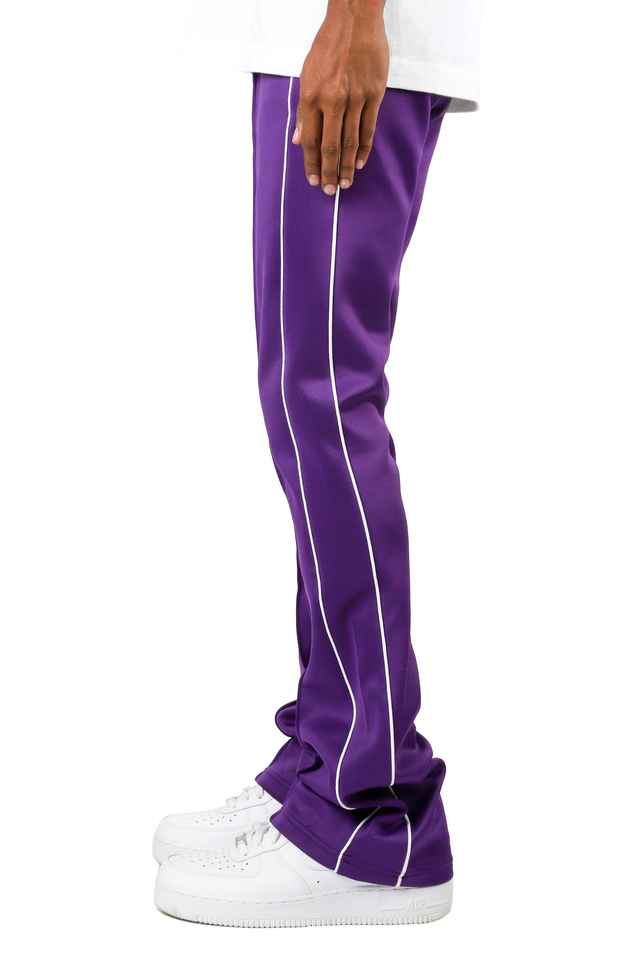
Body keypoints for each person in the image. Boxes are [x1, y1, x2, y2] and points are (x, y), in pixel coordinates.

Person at [153, 0, 480, 927]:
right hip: (308, 34)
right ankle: (325, 757)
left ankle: (373, 812)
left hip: (350, 34)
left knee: (327, 399)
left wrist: (356, 16)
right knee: (304, 404)